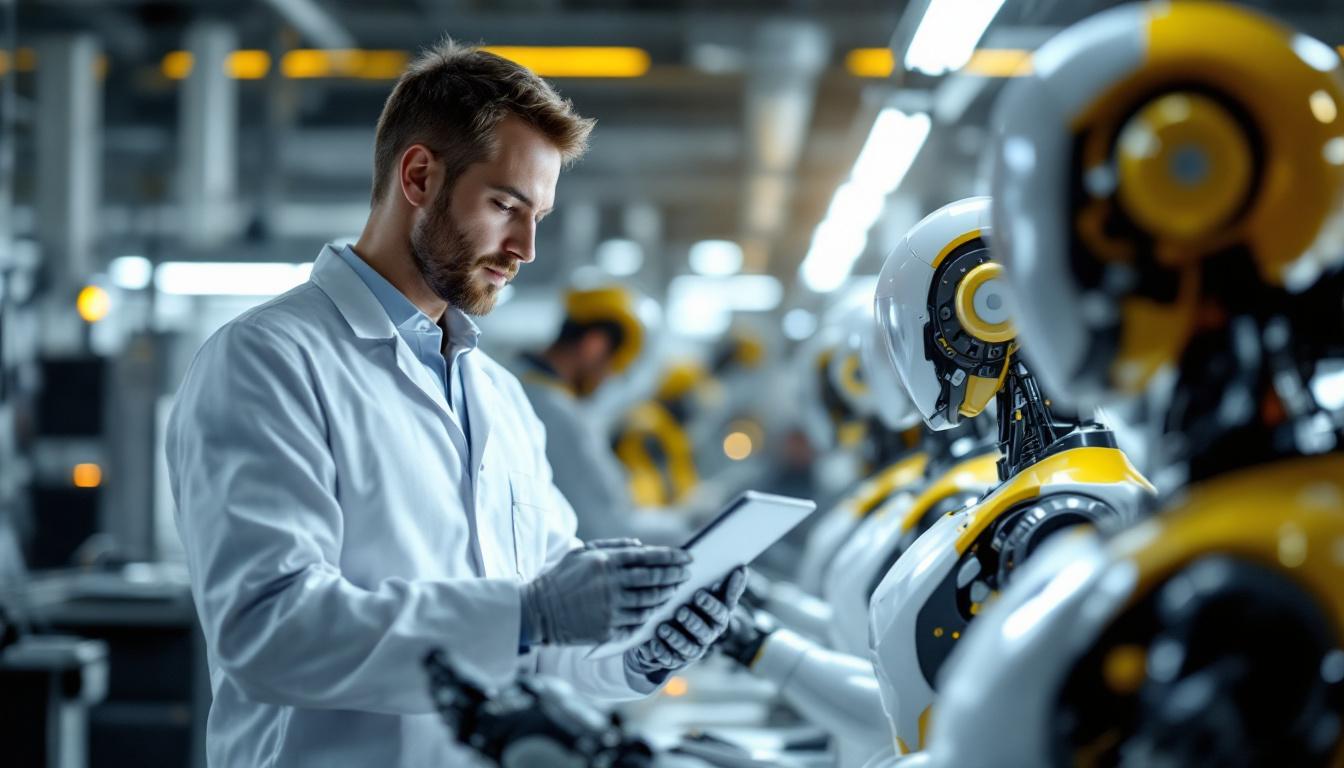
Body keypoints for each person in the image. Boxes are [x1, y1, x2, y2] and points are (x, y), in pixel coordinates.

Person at [165, 40, 743, 767]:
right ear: (418, 176)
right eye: (505, 205)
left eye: (538, 215)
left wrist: (637, 651)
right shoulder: (268, 361)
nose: (526, 247)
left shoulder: (499, 397)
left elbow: (540, 645)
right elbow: (270, 631)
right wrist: (528, 612)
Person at [515, 286, 681, 543]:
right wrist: (687, 528)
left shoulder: (509, 381)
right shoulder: (556, 413)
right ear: (595, 346)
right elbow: (608, 529)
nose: (607, 378)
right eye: (613, 365)